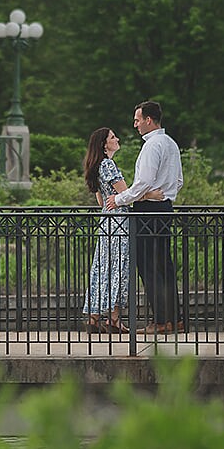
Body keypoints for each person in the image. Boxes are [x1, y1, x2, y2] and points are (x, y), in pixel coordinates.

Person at [105, 100, 184, 333]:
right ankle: (175, 320)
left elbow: (143, 182)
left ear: (149, 120)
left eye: (138, 120)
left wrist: (119, 199)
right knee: (164, 265)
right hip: (165, 207)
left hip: (148, 211)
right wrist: (166, 195)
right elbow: (178, 181)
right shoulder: (171, 144)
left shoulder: (152, 146)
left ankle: (160, 322)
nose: (135, 124)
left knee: (149, 266)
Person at [81, 127, 130, 333]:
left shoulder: (97, 165)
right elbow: (125, 193)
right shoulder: (108, 165)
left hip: (106, 220)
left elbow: (101, 199)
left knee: (102, 267)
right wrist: (149, 194)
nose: (116, 139)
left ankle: (93, 317)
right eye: (112, 137)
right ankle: (114, 318)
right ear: (104, 144)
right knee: (118, 266)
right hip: (119, 221)